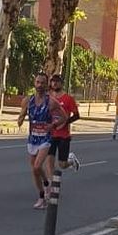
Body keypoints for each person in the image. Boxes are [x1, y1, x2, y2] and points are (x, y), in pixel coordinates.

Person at [23, 71, 66, 207]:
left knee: (37, 166)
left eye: (42, 83)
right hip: (33, 138)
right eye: (37, 82)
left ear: (47, 85)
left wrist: (53, 125)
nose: (39, 85)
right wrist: (20, 119)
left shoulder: (51, 102)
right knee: (34, 170)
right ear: (34, 83)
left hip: (45, 138)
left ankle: (46, 185)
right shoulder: (28, 100)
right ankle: (42, 194)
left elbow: (64, 117)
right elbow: (23, 112)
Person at [48, 73, 82, 174]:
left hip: (63, 135)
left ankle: (71, 160)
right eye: (53, 81)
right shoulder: (48, 97)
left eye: (57, 81)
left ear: (61, 83)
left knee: (62, 165)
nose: (55, 83)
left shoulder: (68, 99)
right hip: (51, 134)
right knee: (49, 163)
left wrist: (65, 123)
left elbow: (76, 115)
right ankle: (51, 182)